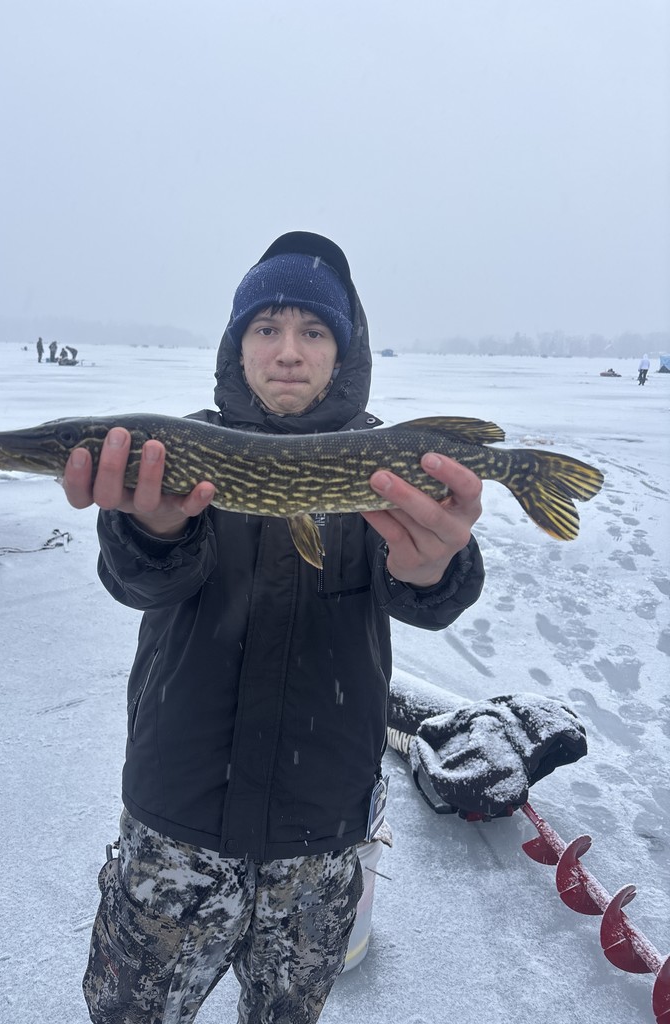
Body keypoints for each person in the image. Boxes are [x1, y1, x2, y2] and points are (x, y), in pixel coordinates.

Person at [62, 231, 486, 1024]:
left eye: (313, 331)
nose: (288, 352)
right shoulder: (173, 449)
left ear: (344, 349)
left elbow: (428, 597)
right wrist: (152, 532)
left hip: (319, 828)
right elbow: (141, 580)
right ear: (237, 343)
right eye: (266, 328)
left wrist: (435, 568)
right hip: (177, 815)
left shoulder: (382, 465)